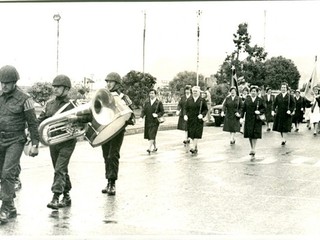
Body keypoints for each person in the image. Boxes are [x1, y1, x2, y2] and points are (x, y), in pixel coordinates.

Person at [0, 65, 39, 223]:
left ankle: (6, 207)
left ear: (14, 82)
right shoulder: (0, 97)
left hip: (16, 140)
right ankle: (11, 205)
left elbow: (32, 123)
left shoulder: (25, 98)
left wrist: (35, 143)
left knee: (8, 173)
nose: (4, 86)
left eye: (7, 83)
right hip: (0, 139)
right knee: (1, 174)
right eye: (1, 82)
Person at [38, 75, 78, 209]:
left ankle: (55, 197)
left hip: (67, 141)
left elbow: (84, 119)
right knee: (60, 168)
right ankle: (67, 196)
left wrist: (75, 118)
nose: (55, 89)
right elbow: (41, 120)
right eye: (54, 86)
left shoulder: (72, 105)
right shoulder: (49, 104)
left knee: (59, 169)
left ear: (66, 89)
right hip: (53, 141)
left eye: (58, 87)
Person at [101, 72, 135, 195]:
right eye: (107, 81)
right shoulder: (103, 96)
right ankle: (108, 181)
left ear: (117, 83)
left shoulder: (123, 97)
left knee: (113, 155)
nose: (108, 84)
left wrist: (127, 119)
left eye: (110, 81)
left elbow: (131, 115)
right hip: (104, 130)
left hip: (117, 131)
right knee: (106, 156)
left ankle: (112, 183)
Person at [241, 85, 265, 159]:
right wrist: (241, 117)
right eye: (252, 91)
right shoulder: (247, 100)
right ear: (250, 92)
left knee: (255, 134)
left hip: (256, 119)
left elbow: (264, 108)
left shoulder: (259, 100)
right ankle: (252, 147)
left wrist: (259, 111)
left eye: (254, 91)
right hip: (249, 119)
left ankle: (253, 149)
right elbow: (243, 109)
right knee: (250, 134)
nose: (253, 93)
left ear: (257, 92)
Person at [184, 86, 208, 154]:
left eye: (196, 91)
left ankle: (193, 147)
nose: (194, 92)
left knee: (196, 133)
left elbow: (205, 109)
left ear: (199, 92)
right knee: (191, 134)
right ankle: (195, 146)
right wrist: (185, 115)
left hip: (198, 119)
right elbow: (186, 108)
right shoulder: (189, 100)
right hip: (190, 119)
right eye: (193, 91)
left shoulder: (202, 100)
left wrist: (202, 115)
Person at [140, 89, 164, 154]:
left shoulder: (158, 102)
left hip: (155, 121)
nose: (151, 94)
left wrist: (157, 115)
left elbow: (162, 112)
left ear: (155, 94)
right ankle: (155, 147)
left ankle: (149, 148)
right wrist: (141, 117)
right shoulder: (146, 102)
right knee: (150, 135)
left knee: (152, 134)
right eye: (150, 93)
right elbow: (143, 111)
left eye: (152, 93)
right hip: (148, 120)